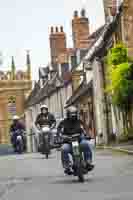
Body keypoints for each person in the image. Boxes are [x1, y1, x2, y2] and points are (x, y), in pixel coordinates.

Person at [57, 106, 94, 175]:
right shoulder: (63, 123)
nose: (73, 116)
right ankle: (67, 166)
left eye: (74, 114)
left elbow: (85, 129)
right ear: (68, 114)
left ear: (76, 114)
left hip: (79, 142)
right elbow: (59, 132)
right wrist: (59, 138)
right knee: (64, 149)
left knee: (85, 144)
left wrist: (88, 135)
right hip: (68, 143)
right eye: (71, 114)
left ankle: (88, 162)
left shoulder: (79, 122)